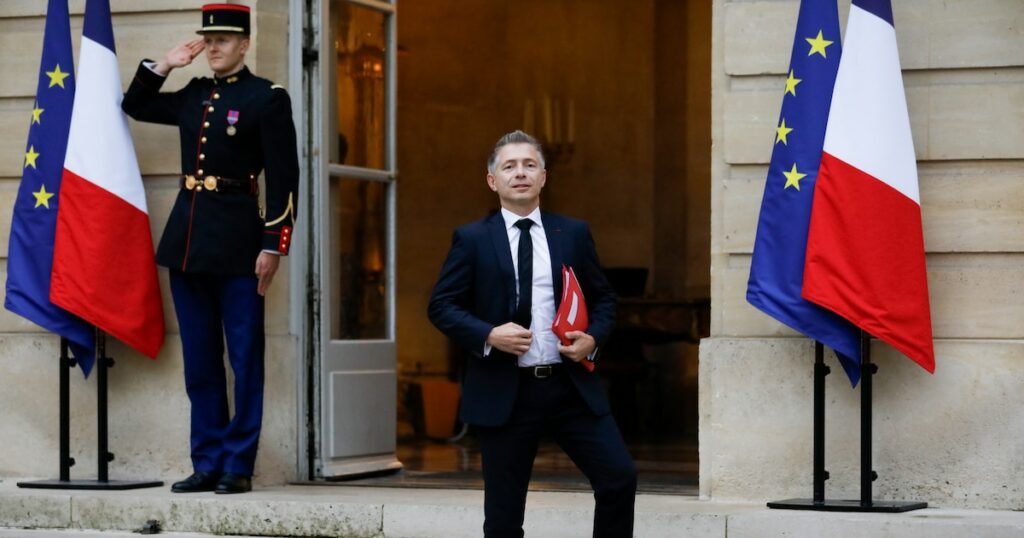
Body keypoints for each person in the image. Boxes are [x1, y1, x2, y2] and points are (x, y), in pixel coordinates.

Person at [121, 4, 298, 494]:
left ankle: (238, 465)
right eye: (208, 39)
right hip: (188, 245)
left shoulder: (268, 98)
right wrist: (165, 64)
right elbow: (134, 105)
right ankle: (207, 461)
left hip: (242, 246)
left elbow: (285, 179)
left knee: (244, 359)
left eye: (223, 40)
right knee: (200, 360)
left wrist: (273, 246)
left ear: (244, 44)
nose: (213, 47)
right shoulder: (194, 94)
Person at [428, 130, 637, 537]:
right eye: (509, 166)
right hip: (507, 390)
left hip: (568, 387)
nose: (519, 173)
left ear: (544, 176)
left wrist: (592, 337)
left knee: (619, 478)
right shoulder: (471, 239)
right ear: (493, 181)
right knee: (504, 517)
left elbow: (604, 298)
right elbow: (441, 306)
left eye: (529, 165)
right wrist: (489, 334)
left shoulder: (573, 233)